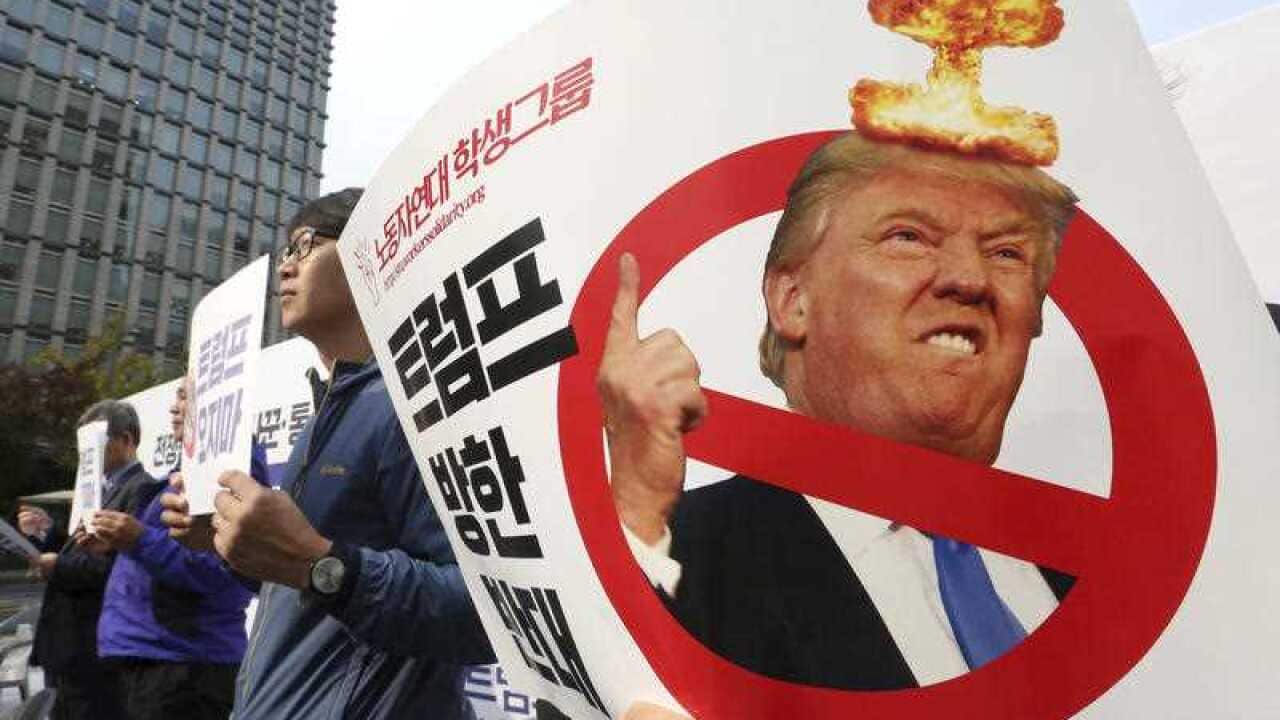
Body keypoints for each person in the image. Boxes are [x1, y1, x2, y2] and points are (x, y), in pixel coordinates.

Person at [598, 131, 1080, 693]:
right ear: (792, 301)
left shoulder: (1109, 571)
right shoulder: (679, 559)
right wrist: (635, 512)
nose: (970, 280)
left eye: (1006, 253)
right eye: (909, 237)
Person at [160, 188, 494, 719]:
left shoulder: (412, 408)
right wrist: (226, 543)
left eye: (306, 245)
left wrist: (322, 565)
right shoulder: (326, 417)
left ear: (373, 251)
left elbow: (488, 617)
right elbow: (305, 591)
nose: (285, 269)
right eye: (286, 252)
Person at [86, 374, 259, 720]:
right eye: (178, 396)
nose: (175, 407)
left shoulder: (231, 468)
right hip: (152, 664)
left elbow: (230, 574)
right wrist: (117, 544)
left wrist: (138, 538)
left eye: (186, 397)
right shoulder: (182, 474)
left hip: (183, 669)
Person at [29, 400, 156, 720]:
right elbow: (82, 548)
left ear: (127, 440)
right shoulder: (96, 490)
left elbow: (117, 568)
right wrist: (50, 533)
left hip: (94, 648)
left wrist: (56, 566)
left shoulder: (140, 490)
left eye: (94, 445)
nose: (87, 456)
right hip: (69, 644)